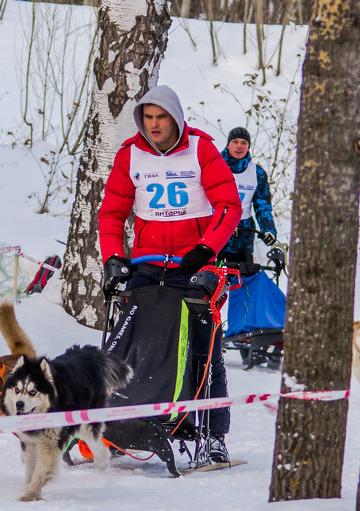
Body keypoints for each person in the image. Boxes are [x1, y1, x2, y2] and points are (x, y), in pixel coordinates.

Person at [98, 85, 242, 463]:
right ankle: (119, 426)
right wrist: (113, 258)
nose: (154, 124)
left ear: (176, 118)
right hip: (146, 265)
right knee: (130, 346)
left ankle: (213, 436)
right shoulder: (130, 155)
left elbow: (229, 205)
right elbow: (112, 213)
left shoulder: (201, 149)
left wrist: (206, 249)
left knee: (204, 351)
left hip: (194, 265)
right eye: (148, 117)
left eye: (161, 117)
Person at [218, 127, 277, 270]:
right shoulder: (215, 166)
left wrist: (268, 229)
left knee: (242, 281)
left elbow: (262, 205)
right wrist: (225, 225)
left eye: (244, 142)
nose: (239, 146)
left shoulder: (257, 173)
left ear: (249, 147)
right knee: (213, 280)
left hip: (243, 235)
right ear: (228, 144)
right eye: (235, 141)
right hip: (216, 231)